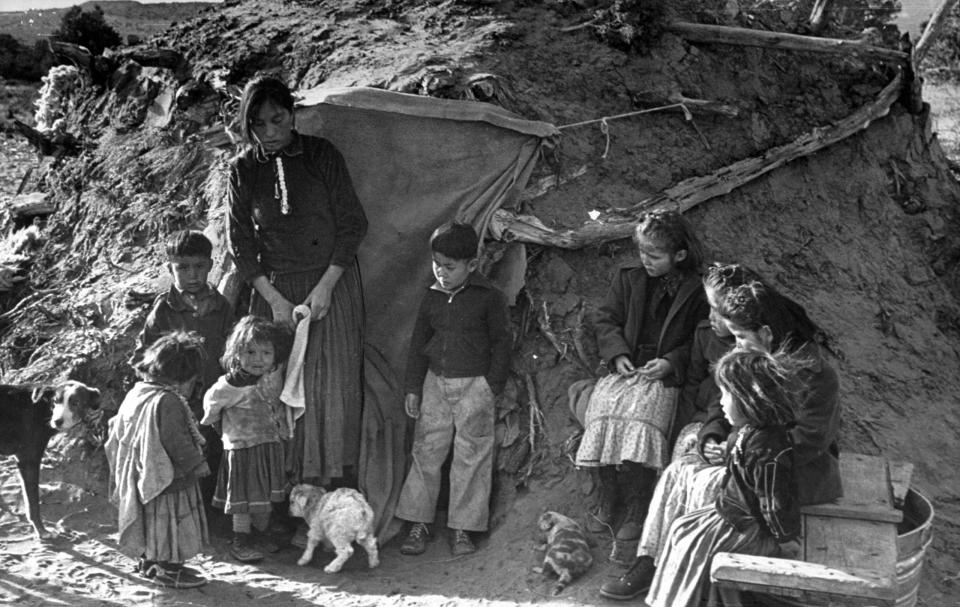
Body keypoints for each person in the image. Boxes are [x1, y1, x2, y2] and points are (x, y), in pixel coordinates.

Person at [601, 275, 841, 600]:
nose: (736, 344)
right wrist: (712, 435)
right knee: (677, 472)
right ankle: (652, 562)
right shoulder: (752, 360)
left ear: (767, 334)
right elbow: (721, 403)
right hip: (749, 461)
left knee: (700, 485)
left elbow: (808, 440)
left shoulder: (815, 374)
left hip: (786, 477)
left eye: (741, 337)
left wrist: (732, 451)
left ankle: (693, 583)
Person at [227, 75, 368, 489]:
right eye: (258, 123)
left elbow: (353, 224)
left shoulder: (321, 155)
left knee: (325, 390)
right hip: (273, 294)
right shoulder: (244, 170)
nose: (270, 132)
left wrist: (326, 287)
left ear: (292, 114)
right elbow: (240, 241)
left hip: (329, 289)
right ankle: (275, 500)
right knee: (271, 390)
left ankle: (323, 494)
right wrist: (273, 301)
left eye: (277, 119)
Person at [574, 210, 708, 542]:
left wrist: (670, 362)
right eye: (642, 252)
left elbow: (699, 339)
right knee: (602, 410)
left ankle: (637, 503)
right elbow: (605, 320)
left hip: (663, 375)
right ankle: (609, 496)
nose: (645, 260)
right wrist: (617, 353)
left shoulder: (697, 290)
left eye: (655, 255)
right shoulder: (628, 277)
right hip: (627, 367)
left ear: (679, 254)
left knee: (642, 418)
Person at [644, 347, 803, 607]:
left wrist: (786, 541)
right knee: (682, 529)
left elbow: (773, 503)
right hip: (729, 513)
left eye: (727, 395)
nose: (721, 402)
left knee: (693, 545)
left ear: (748, 399)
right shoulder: (748, 433)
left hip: (747, 527)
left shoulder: (768, 450)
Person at [395, 222, 511, 557]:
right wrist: (413, 387)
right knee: (426, 452)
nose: (442, 273)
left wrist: (490, 386)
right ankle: (418, 523)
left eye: (451, 267)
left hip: (475, 385)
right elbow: (419, 343)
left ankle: (464, 528)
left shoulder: (489, 298)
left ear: (471, 265)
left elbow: (502, 343)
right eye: (437, 264)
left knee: (471, 455)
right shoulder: (431, 296)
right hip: (434, 383)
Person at [129, 229, 234, 507]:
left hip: (212, 399)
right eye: (183, 268)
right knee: (181, 458)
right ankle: (182, 515)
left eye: (199, 267)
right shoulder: (164, 310)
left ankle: (212, 517)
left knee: (212, 452)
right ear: (169, 269)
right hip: (177, 403)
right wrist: (168, 384)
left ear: (211, 266)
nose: (192, 275)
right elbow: (143, 357)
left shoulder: (222, 308)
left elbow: (231, 352)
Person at [106, 332, 210, 589]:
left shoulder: (139, 391)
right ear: (182, 376)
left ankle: (148, 562)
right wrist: (197, 464)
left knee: (150, 523)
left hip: (142, 473)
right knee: (171, 525)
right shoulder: (168, 400)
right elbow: (176, 440)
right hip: (167, 477)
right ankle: (167, 569)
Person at [201, 316, 294, 563]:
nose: (258, 359)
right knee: (243, 499)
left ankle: (260, 534)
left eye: (266, 353)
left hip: (267, 448)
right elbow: (211, 407)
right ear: (236, 353)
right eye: (250, 352)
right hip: (243, 451)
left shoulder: (269, 379)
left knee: (263, 497)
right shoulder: (229, 386)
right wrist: (221, 431)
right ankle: (241, 541)